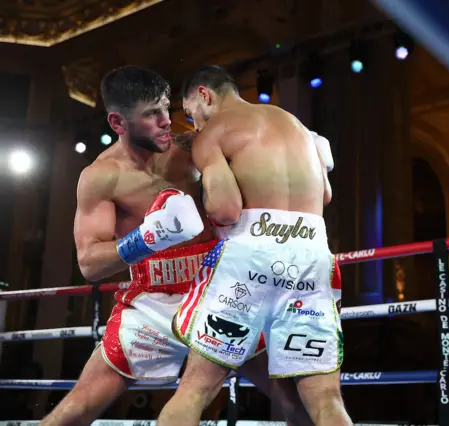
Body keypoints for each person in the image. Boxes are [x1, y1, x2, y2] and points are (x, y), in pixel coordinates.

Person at [41, 65, 313, 426]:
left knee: (296, 402)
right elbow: (90, 263)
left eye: (166, 108)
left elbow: (264, 160)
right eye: (151, 114)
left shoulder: (195, 147)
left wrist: (307, 151)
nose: (166, 121)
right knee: (75, 411)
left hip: (221, 292)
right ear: (118, 123)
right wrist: (146, 239)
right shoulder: (101, 177)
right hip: (153, 301)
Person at [157, 65, 350, 426]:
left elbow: (226, 210)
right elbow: (324, 194)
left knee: (194, 391)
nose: (193, 123)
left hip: (252, 256)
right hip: (311, 257)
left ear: (204, 95)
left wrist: (209, 177)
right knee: (325, 398)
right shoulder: (297, 127)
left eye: (189, 113)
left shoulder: (213, 133)